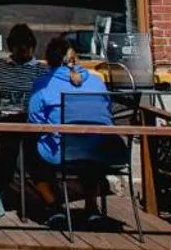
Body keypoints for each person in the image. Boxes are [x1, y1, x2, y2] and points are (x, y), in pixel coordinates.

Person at [26, 35, 123, 170]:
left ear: (49, 60)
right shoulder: (97, 81)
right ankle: (91, 190)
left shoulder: (43, 84)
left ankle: (49, 192)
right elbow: (106, 109)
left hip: (63, 153)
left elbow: (34, 121)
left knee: (29, 146)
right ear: (75, 58)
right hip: (103, 150)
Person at [0, 23, 41, 109]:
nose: (23, 49)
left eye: (27, 46)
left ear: (32, 47)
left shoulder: (41, 70)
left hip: (30, 117)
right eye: (19, 46)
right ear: (11, 46)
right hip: (1, 116)